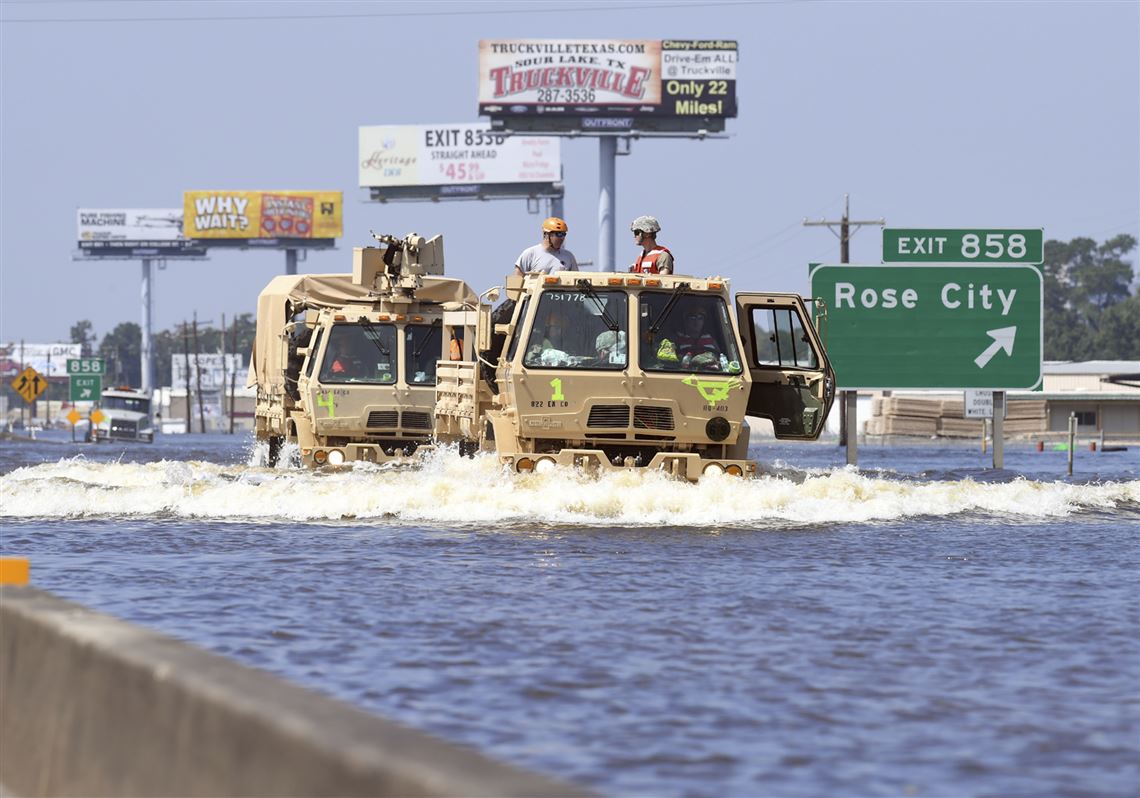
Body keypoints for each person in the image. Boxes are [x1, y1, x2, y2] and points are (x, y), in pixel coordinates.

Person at [514, 217, 579, 276]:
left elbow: (577, 280)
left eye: (564, 234)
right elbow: (516, 282)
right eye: (558, 234)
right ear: (546, 234)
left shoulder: (568, 256)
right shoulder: (530, 254)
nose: (562, 238)